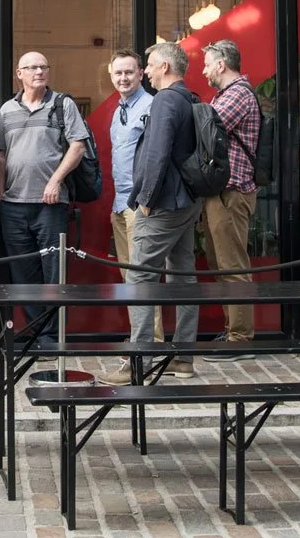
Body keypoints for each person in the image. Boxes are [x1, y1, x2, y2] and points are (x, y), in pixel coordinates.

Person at [106, 42, 201, 381]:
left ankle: (139, 362)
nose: (145, 70)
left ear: (164, 67)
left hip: (161, 205)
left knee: (141, 278)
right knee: (183, 278)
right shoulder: (190, 98)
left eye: (148, 64)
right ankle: (183, 359)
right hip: (186, 202)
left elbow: (157, 152)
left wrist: (144, 198)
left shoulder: (163, 100)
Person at [0, 50, 92, 348]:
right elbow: (0, 154)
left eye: (43, 66)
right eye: (31, 67)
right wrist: (0, 193)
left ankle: (51, 338)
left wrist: (55, 180)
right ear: (19, 73)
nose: (38, 71)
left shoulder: (63, 104)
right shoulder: (7, 110)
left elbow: (78, 147)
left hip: (50, 205)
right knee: (24, 275)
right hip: (13, 206)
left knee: (54, 274)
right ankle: (38, 334)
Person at [199, 39, 264, 352]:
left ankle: (239, 338)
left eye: (208, 64)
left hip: (232, 192)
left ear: (221, 65)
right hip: (223, 192)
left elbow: (207, 128)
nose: (204, 70)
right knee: (221, 264)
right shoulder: (227, 93)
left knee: (233, 266)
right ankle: (233, 332)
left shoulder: (237, 93)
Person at [107, 49, 158, 338]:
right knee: (129, 277)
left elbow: (156, 158)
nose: (123, 78)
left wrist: (145, 201)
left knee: (143, 277)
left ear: (141, 74)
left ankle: (153, 342)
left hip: (139, 205)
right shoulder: (118, 110)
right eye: (118, 73)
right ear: (111, 76)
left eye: (129, 72)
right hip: (120, 204)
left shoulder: (151, 106)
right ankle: (139, 336)